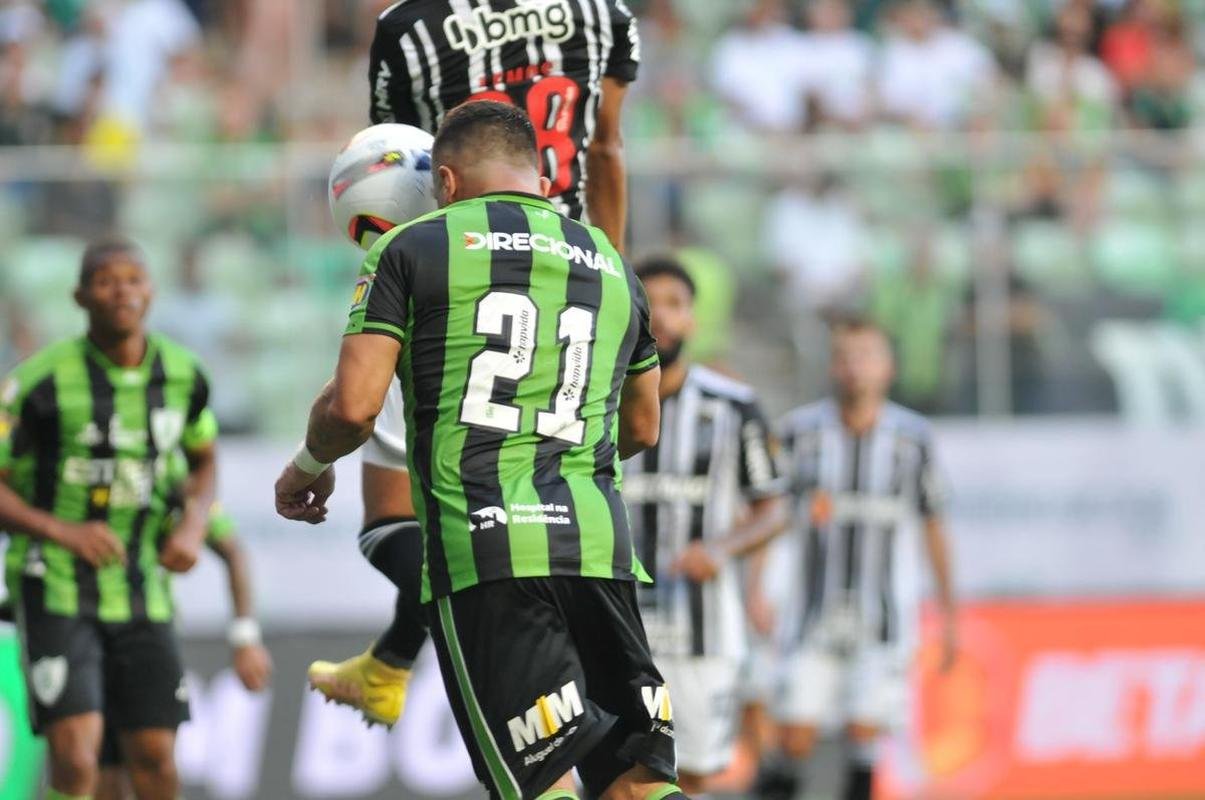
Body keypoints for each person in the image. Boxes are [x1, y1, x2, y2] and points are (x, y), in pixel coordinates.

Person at [275, 100, 686, 800]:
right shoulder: (612, 264)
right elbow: (643, 426)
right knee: (637, 782)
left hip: (488, 553)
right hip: (598, 550)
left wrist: (306, 468)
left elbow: (352, 407)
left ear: (447, 181)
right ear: (536, 174)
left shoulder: (412, 248)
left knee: (540, 782)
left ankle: (388, 663)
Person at [308, 0, 642, 729]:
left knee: (398, 516)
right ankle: (397, 659)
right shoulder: (598, 13)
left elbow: (400, 156)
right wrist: (606, 273)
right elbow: (608, 149)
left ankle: (398, 661)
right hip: (574, 295)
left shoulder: (409, 28)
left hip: (451, 286)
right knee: (566, 516)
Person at [0, 237, 217, 800]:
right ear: (79, 296)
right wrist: (61, 530)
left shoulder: (182, 375)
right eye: (105, 280)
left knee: (156, 759)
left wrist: (193, 525)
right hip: (54, 586)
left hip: (143, 590)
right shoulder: (38, 384)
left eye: (133, 279)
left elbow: (204, 458)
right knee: (76, 756)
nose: (121, 291)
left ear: (151, 290)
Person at [753, 318, 958, 800]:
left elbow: (933, 526)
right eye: (845, 357)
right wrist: (756, 588)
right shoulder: (800, 433)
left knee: (865, 733)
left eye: (867, 356)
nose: (855, 368)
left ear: (888, 367)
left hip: (880, 618)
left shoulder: (912, 439)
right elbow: (769, 515)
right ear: (832, 366)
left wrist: (948, 615)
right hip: (811, 615)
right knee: (795, 735)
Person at [622, 256, 788, 794]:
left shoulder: (734, 409)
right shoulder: (593, 403)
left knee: (690, 774)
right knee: (617, 774)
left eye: (677, 305)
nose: (664, 319)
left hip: (703, 630)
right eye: (653, 305)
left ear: (693, 320)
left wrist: (719, 548)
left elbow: (772, 506)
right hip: (616, 629)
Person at [92, 482, 273, 800]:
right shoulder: (60, 456)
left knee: (155, 757)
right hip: (74, 630)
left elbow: (232, 550)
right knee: (93, 763)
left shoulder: (165, 470)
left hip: (146, 629)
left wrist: (246, 639)